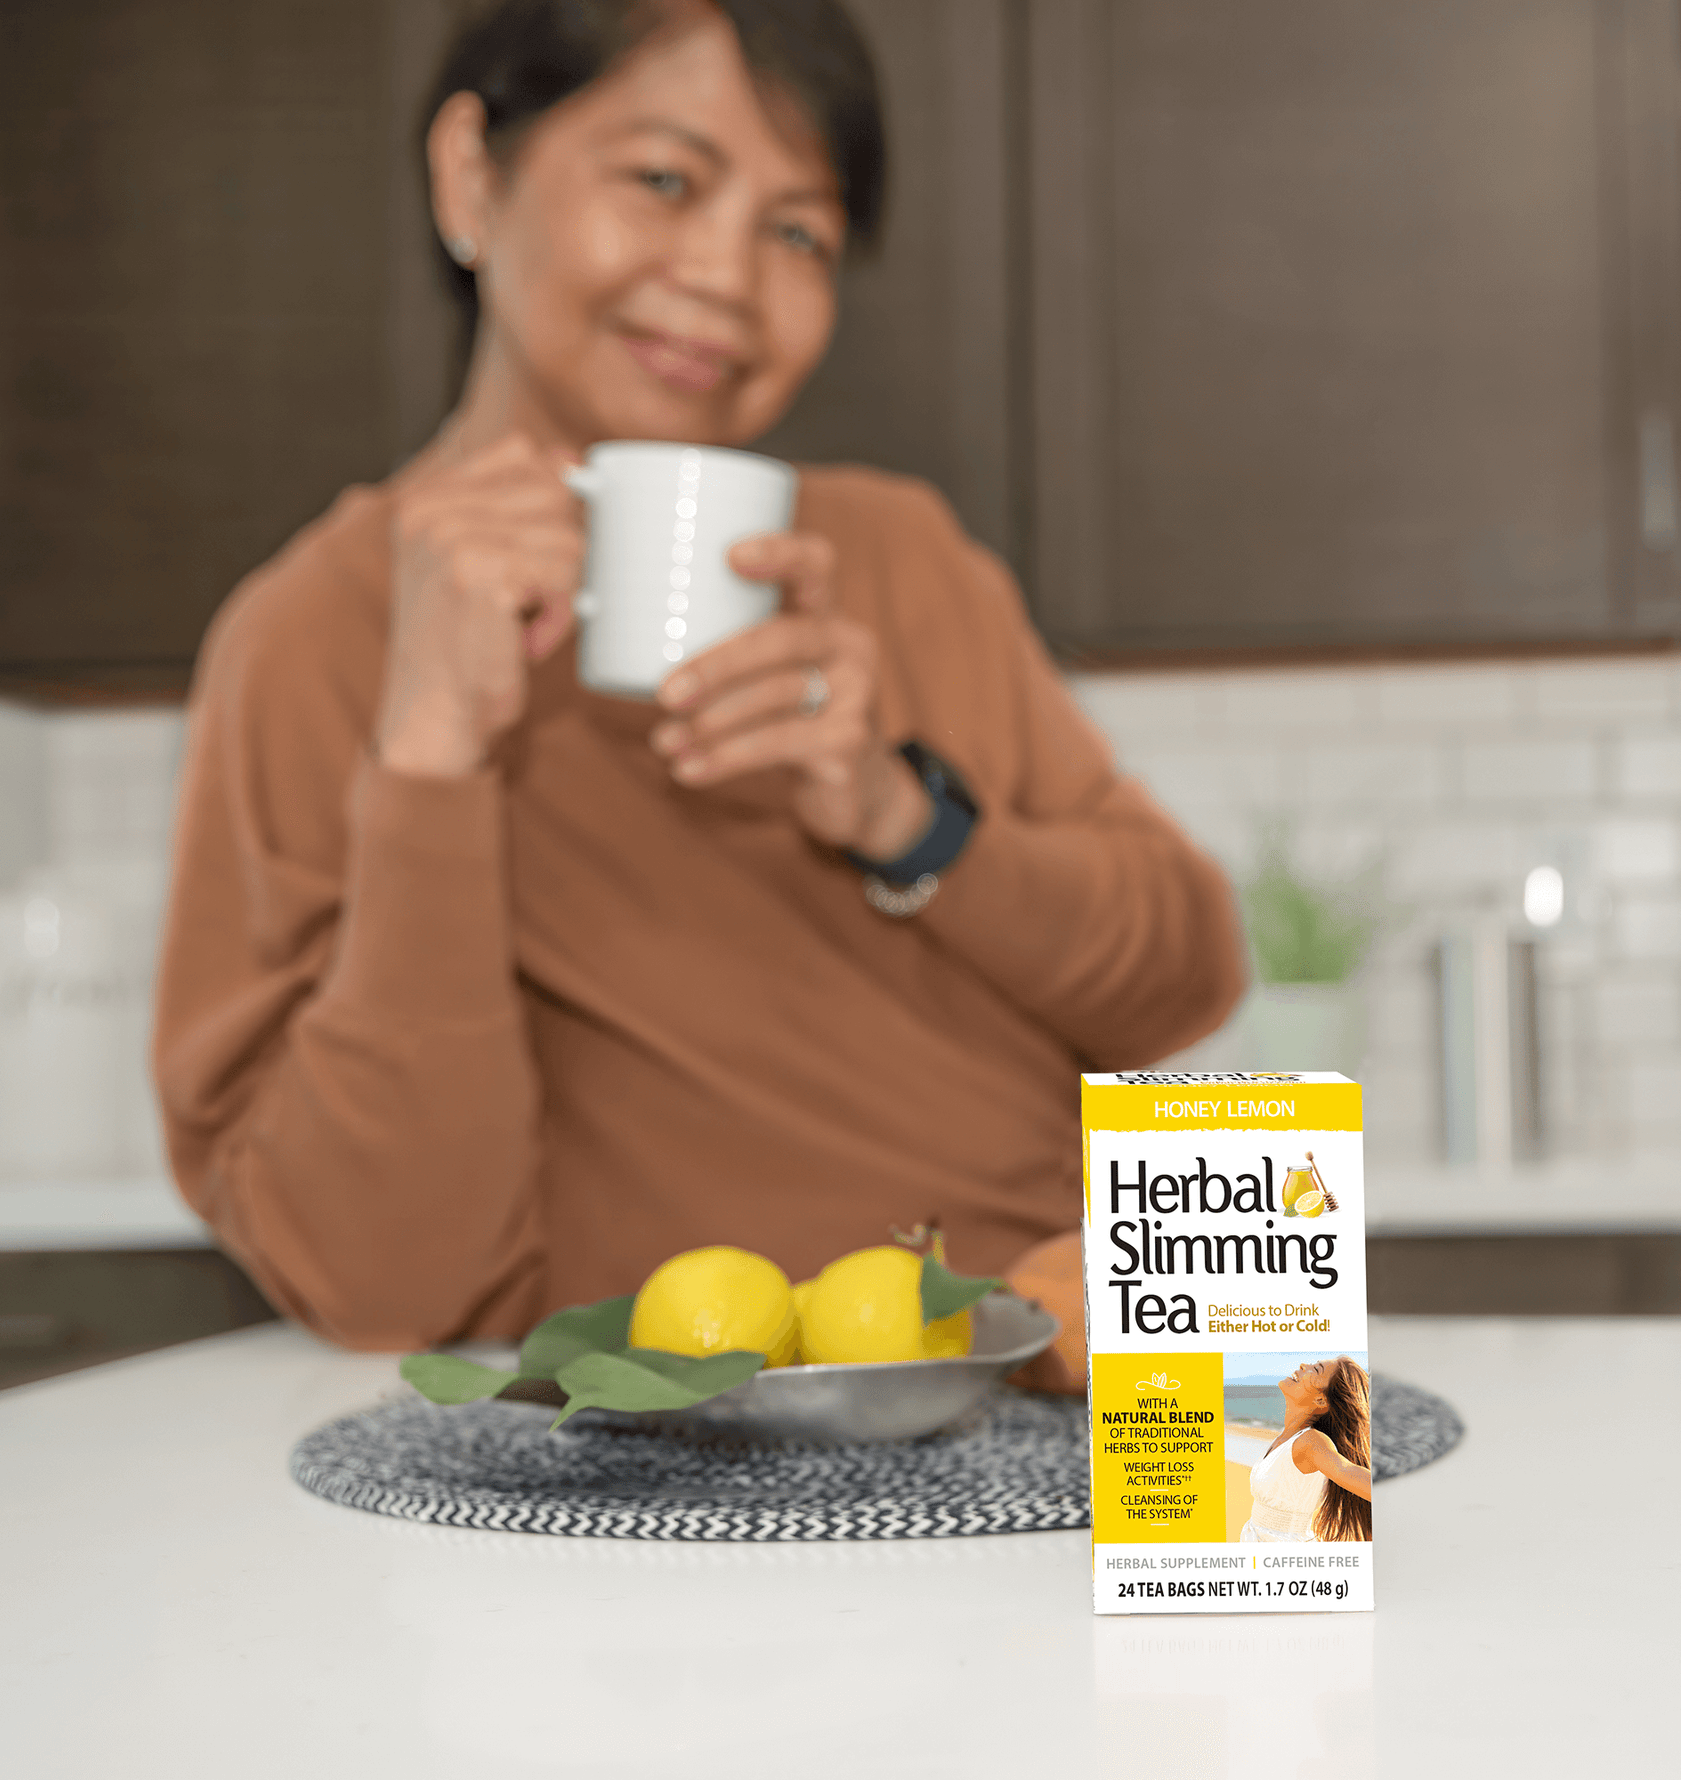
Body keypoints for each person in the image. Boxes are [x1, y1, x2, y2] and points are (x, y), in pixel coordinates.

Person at [153, 0, 1246, 1358]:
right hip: (660, 1439)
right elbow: (383, 1289)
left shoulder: (898, 555)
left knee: (1326, 1464)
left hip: (1045, 1373)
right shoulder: (312, 636)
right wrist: (432, 760)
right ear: (470, 175)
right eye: (665, 181)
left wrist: (905, 818)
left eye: (798, 233)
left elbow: (1184, 980)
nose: (728, 275)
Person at [1238, 1358, 1374, 1542]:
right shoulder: (1286, 1439)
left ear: (1320, 1400)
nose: (1303, 1365)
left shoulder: (1311, 1443)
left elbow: (1347, 1471)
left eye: (1316, 1369)